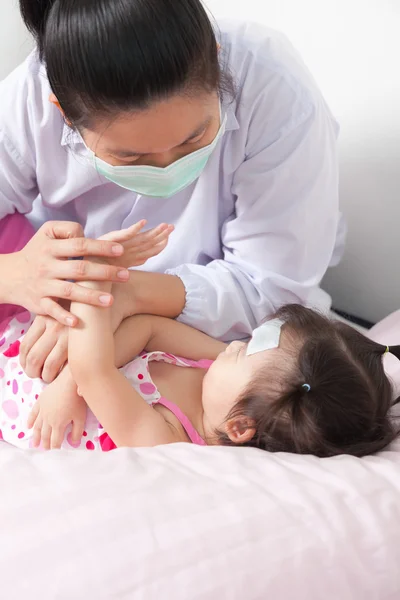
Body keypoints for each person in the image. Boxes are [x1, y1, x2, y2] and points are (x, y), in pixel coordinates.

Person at [0, 0, 343, 385]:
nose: (166, 167)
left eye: (194, 138)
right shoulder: (25, 102)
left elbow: (272, 287)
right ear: (63, 113)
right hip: (61, 310)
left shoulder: (274, 88)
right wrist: (14, 274)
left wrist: (126, 295)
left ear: (218, 66)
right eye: (130, 156)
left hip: (215, 328)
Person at [0, 269, 398, 455]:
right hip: (32, 335)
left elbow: (95, 370)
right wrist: (71, 382)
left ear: (240, 426)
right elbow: (147, 328)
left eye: (244, 350)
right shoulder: (215, 372)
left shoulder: (168, 441)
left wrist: (95, 274)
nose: (233, 343)